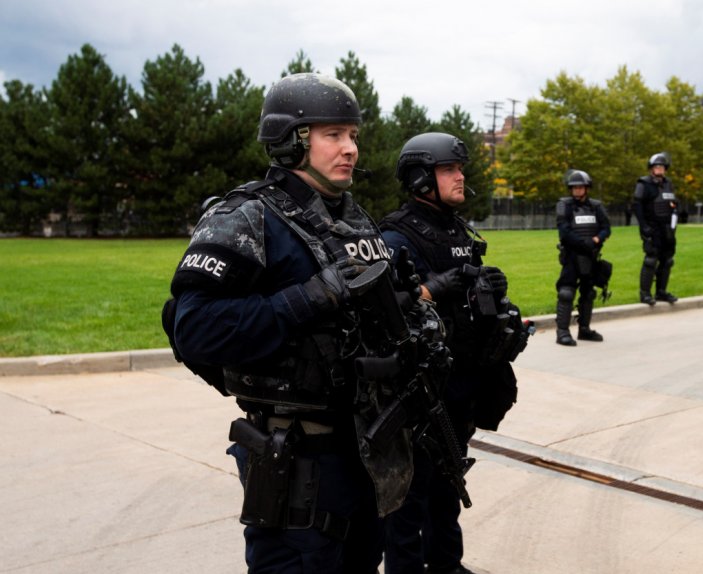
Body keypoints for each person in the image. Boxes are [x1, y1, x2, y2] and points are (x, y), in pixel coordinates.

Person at [166, 72, 439, 573]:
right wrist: (312, 297)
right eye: (333, 135)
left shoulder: (354, 219)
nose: (350, 148)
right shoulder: (249, 216)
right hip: (299, 459)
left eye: (353, 135)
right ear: (292, 141)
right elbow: (195, 327)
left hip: (367, 449)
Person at [380, 132, 529, 574]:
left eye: (459, 169)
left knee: (449, 484)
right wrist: (437, 286)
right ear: (423, 178)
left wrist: (495, 299)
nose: (461, 176)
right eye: (450, 169)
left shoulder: (456, 229)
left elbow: (468, 298)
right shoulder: (396, 234)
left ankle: (446, 563)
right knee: (410, 497)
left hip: (462, 380)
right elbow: (388, 310)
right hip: (420, 389)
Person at [554, 169, 612, 346]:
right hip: (572, 256)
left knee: (588, 293)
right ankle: (562, 332)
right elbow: (564, 232)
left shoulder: (596, 206)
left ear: (587, 188)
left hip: (591, 256)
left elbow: (606, 228)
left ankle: (584, 329)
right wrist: (583, 243)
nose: (578, 190)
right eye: (574, 188)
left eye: (581, 187)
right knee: (566, 293)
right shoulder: (564, 205)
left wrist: (597, 239)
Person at [634, 152, 681, 305]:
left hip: (667, 229)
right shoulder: (643, 184)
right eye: (656, 166)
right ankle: (645, 294)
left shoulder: (669, 184)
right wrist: (644, 227)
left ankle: (661, 292)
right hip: (652, 228)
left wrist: (675, 213)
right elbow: (637, 206)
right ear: (651, 169)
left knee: (667, 260)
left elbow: (673, 203)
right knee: (650, 260)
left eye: (661, 166)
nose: (659, 169)